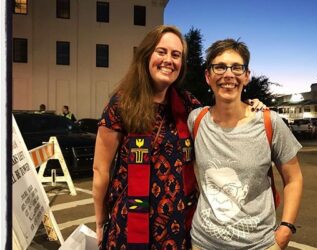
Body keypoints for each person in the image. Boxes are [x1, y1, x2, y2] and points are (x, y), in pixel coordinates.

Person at [92, 25, 267, 250]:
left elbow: (220, 115)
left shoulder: (187, 104)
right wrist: (100, 220)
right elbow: (100, 170)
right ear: (147, 55)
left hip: (178, 227)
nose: (169, 60)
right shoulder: (122, 104)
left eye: (176, 55)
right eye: (161, 52)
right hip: (129, 226)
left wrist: (250, 105)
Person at [187, 39, 303, 250]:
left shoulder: (270, 122)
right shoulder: (196, 120)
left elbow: (293, 178)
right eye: (220, 67)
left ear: (247, 76)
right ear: (208, 76)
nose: (228, 74)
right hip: (203, 243)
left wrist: (286, 228)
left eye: (237, 67)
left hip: (259, 244)